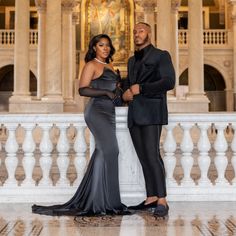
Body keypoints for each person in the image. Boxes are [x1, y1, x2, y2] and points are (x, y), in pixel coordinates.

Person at [32, 34, 129, 217]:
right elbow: (83, 89)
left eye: (108, 45)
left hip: (109, 112)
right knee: (111, 151)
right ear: (94, 48)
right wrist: (106, 93)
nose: (105, 48)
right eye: (101, 45)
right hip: (97, 112)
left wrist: (119, 93)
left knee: (103, 152)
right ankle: (105, 201)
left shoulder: (109, 65)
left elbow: (114, 90)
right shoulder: (91, 65)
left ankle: (101, 200)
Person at [122, 22, 175, 217]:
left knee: (152, 155)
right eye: (134, 32)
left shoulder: (161, 55)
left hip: (152, 112)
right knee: (143, 157)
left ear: (149, 34)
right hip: (135, 114)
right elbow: (128, 85)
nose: (137, 34)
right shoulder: (130, 60)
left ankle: (162, 200)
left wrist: (141, 89)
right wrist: (124, 95)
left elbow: (169, 81)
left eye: (141, 31)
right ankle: (151, 197)